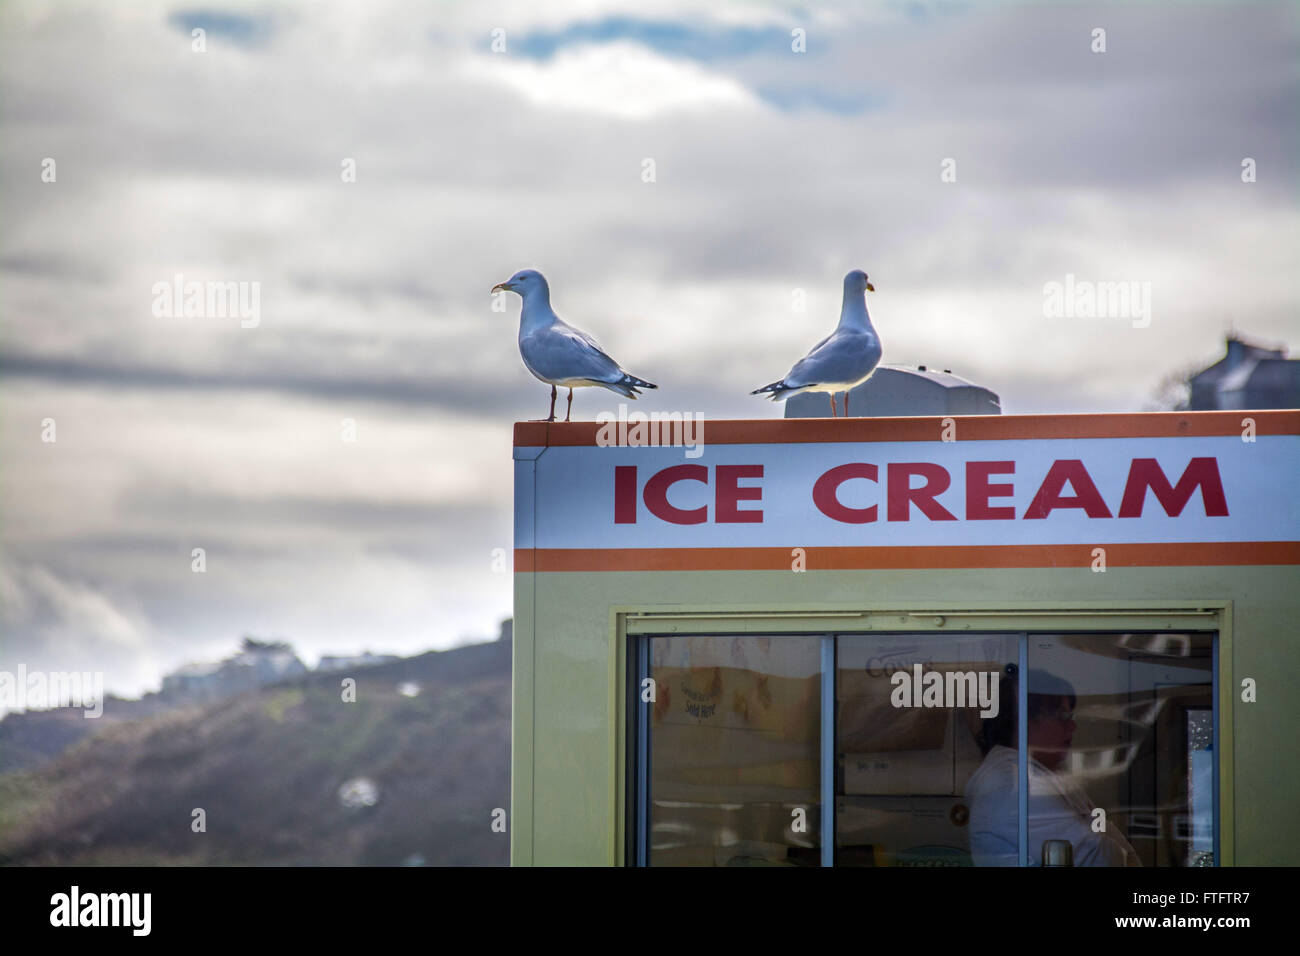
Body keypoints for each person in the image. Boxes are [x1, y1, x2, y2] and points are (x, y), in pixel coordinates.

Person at [965, 665, 1141, 866]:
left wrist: (1117, 852)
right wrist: (1116, 851)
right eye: (1062, 716)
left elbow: (1121, 851)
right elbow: (1097, 857)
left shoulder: (1044, 775)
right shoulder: (1010, 784)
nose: (1072, 727)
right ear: (1024, 721)